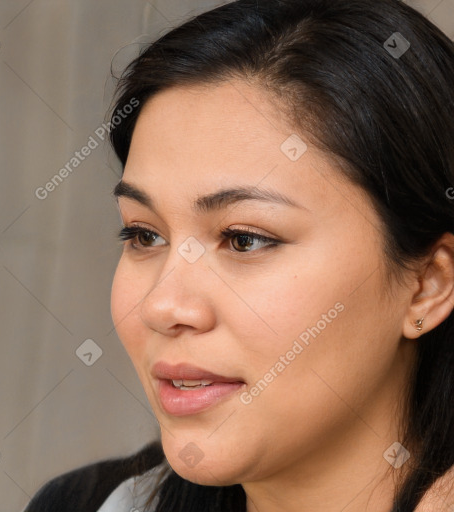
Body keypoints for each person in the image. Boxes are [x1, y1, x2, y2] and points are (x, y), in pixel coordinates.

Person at [23, 0, 454, 510]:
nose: (163, 307)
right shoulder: (85, 503)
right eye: (143, 235)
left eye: (244, 239)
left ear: (428, 284)